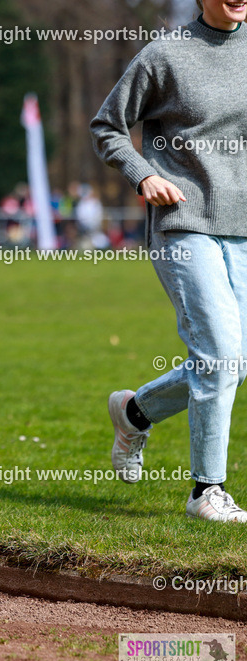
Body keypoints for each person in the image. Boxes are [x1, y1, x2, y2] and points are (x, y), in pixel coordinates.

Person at [91, 0, 247, 522]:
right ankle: (207, 492)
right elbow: (108, 126)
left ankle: (134, 412)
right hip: (184, 222)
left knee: (231, 364)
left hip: (243, 229)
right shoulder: (166, 54)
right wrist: (143, 174)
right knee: (221, 354)